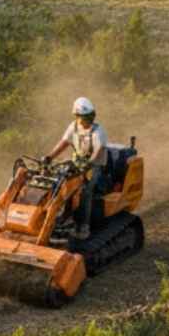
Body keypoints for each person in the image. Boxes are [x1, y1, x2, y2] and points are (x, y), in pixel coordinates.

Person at [45, 96, 108, 241]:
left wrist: (89, 163)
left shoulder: (98, 131)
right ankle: (64, 216)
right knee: (60, 184)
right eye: (84, 117)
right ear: (77, 116)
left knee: (85, 190)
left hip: (95, 166)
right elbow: (64, 143)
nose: (88, 120)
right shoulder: (73, 127)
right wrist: (50, 156)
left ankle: (84, 227)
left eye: (89, 116)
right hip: (77, 165)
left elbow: (99, 149)